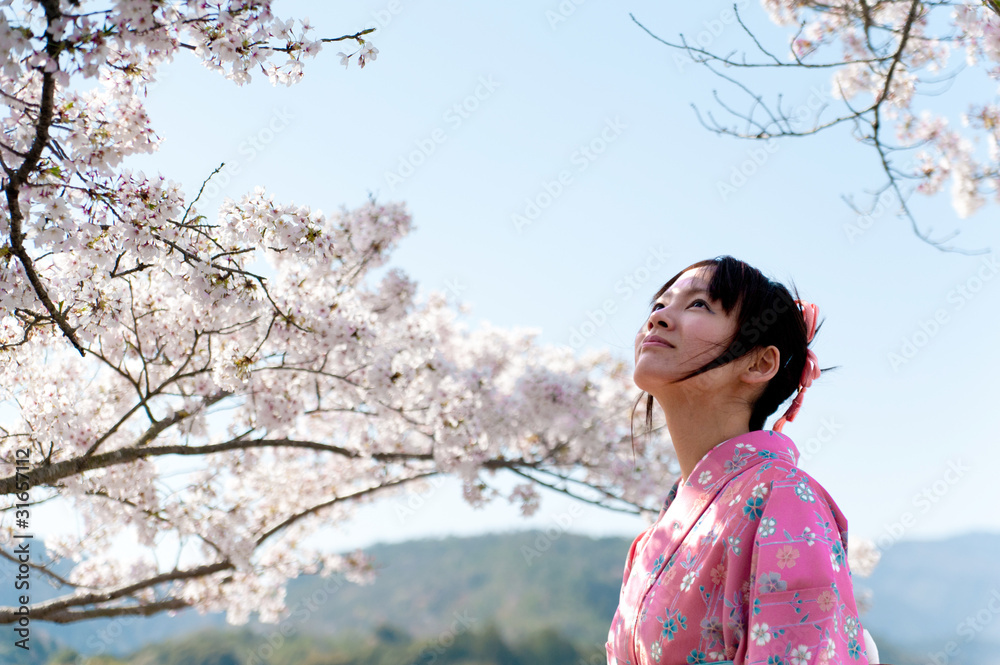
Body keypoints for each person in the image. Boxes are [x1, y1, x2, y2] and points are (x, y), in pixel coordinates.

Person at [605, 255, 878, 665]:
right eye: (659, 305)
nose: (658, 319)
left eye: (699, 304)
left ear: (759, 362)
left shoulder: (785, 498)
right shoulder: (653, 537)